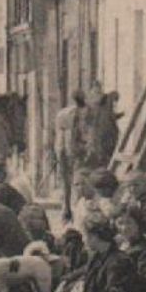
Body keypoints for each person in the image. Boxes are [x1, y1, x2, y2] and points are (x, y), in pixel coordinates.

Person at [53, 91, 88, 219]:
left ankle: (68, 208)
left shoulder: (64, 113)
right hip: (71, 150)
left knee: (67, 180)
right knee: (72, 180)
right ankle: (70, 207)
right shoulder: (73, 114)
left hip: (65, 149)